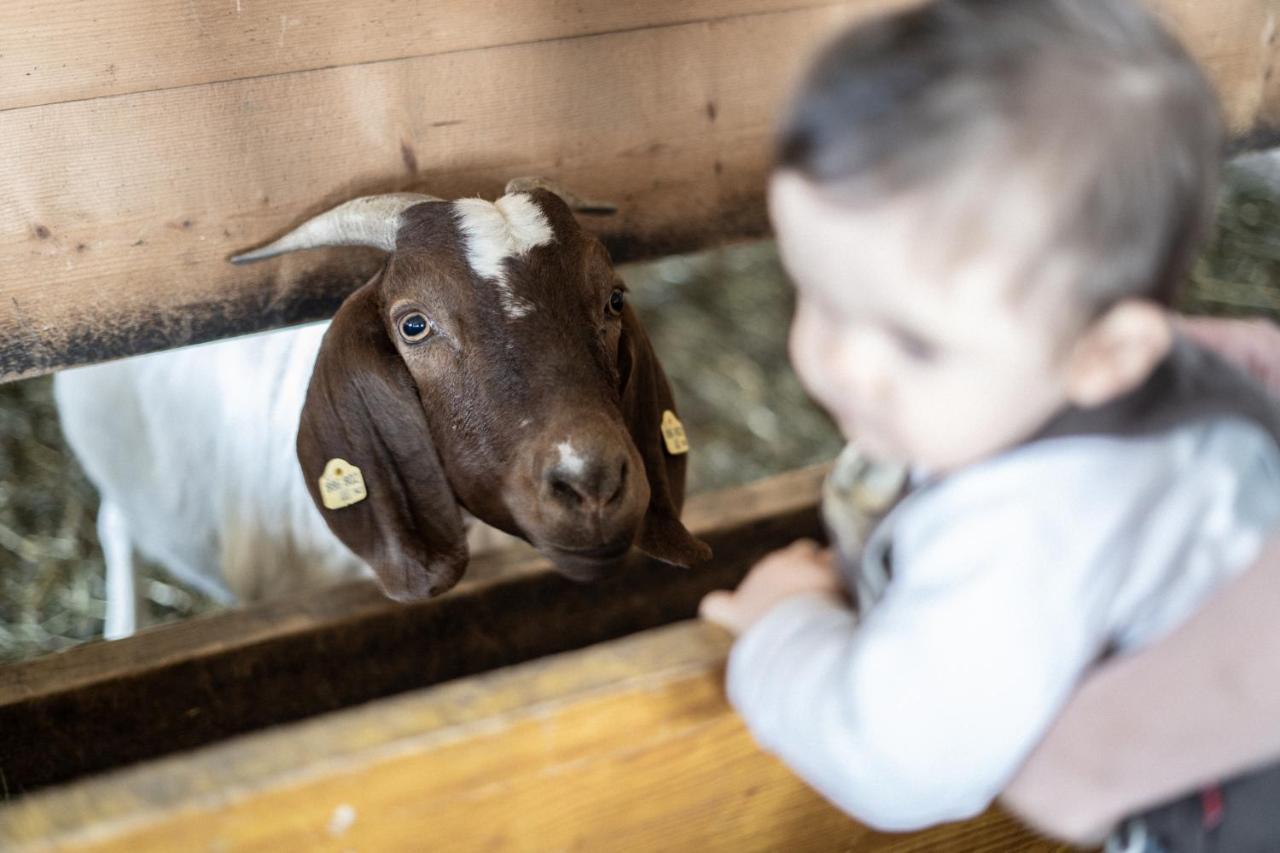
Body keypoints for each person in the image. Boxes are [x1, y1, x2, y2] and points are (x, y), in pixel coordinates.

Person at [697, 1, 1280, 850]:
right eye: (816, 294)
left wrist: (786, 630)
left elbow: (900, 758)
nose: (841, 366)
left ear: (1107, 352)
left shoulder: (1037, 520)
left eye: (915, 342)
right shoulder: (1178, 381)